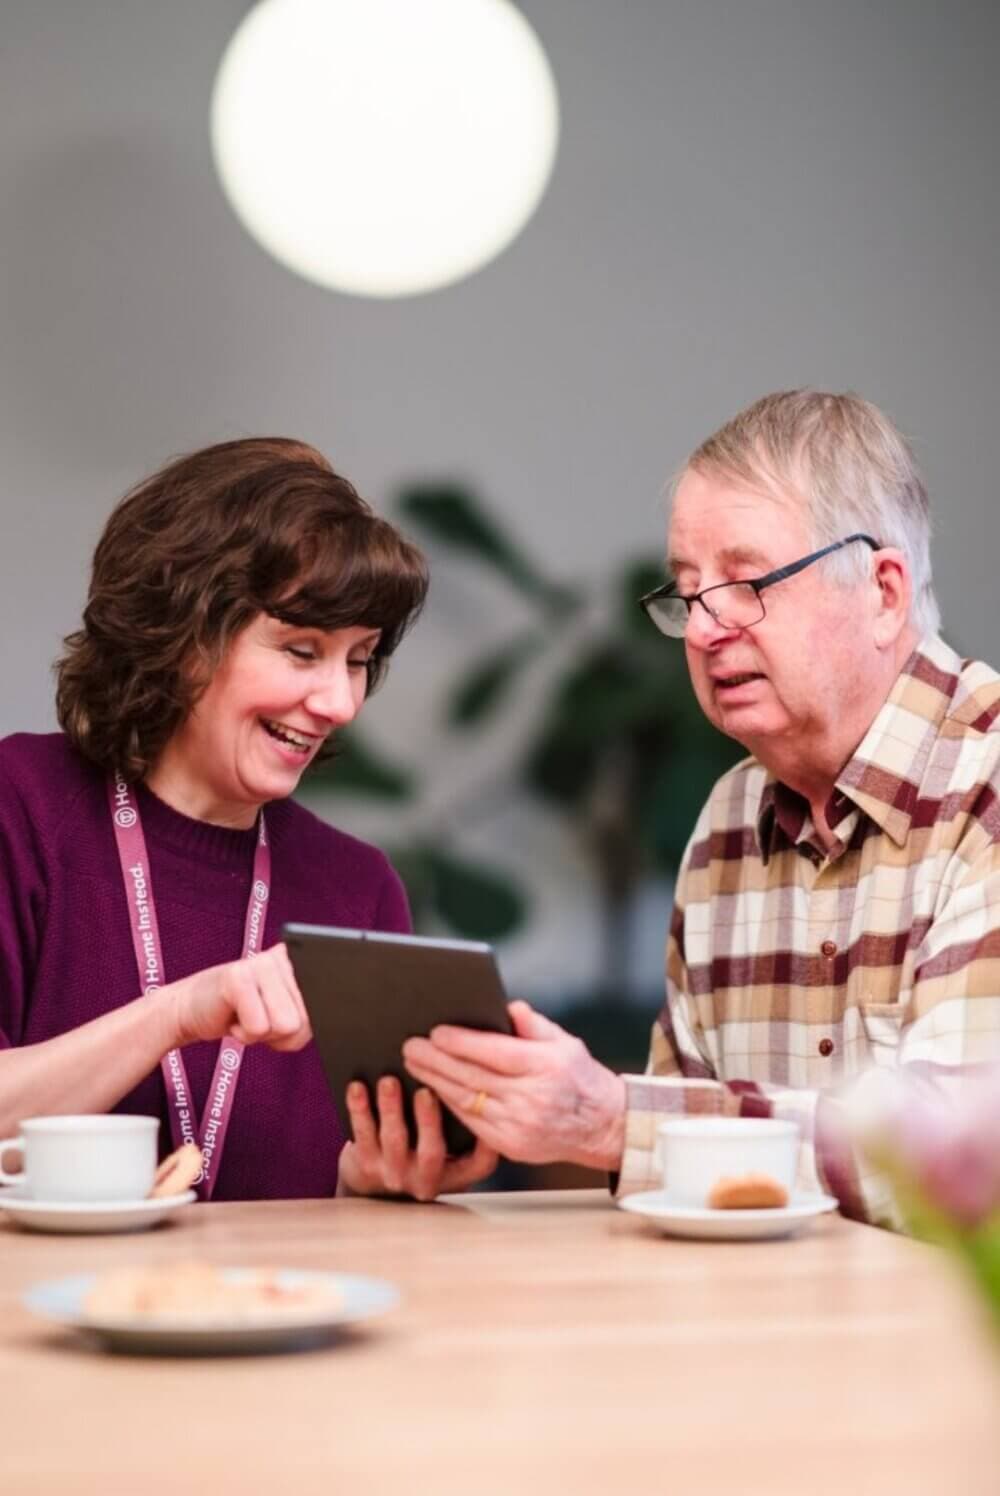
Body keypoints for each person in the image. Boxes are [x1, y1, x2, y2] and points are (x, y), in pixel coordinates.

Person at [403, 390, 1000, 1229]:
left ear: (885, 592)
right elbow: (677, 1185)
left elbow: (956, 1171)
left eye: (747, 582)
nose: (703, 630)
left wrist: (615, 1122)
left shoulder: (987, 787)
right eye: (688, 592)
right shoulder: (728, 821)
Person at [0, 437, 498, 1201]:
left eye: (359, 659)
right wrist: (177, 1013)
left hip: (271, 1311)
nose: (339, 702)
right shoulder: (22, 804)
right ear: (184, 637)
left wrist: (369, 1178)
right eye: (301, 651)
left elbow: (331, 1183)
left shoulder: (356, 885)